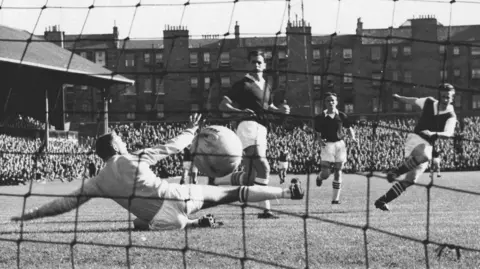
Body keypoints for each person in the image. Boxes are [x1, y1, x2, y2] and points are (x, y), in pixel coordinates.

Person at [10, 114, 304, 230]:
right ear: (116, 145)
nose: (124, 140)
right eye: (120, 138)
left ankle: (191, 225)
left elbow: (62, 204)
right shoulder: (132, 158)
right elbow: (171, 147)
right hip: (179, 198)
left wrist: (30, 215)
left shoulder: (97, 181)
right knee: (231, 193)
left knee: (139, 223)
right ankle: (286, 193)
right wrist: (191, 129)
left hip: (163, 221)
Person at [216, 50, 290, 219]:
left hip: (262, 129)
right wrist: (239, 112)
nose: (256, 65)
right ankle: (266, 210)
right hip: (248, 126)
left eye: (259, 62)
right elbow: (223, 105)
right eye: (253, 62)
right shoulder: (243, 84)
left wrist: (280, 110)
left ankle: (219, 180)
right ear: (249, 65)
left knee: (251, 177)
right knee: (264, 167)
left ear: (265, 65)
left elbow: (268, 107)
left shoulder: (267, 86)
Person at [375, 84, 457, 211]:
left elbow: (449, 133)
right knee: (425, 156)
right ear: (439, 96)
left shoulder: (451, 115)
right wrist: (398, 97)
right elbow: (413, 101)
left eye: (448, 97)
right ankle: (396, 171)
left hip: (428, 144)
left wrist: (434, 134)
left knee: (410, 180)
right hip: (415, 139)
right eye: (443, 96)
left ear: (452, 98)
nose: (445, 99)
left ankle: (382, 201)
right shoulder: (429, 102)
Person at [313, 92, 357, 204]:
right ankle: (319, 177)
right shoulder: (320, 117)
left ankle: (335, 200)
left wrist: (353, 137)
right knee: (326, 174)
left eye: (333, 100)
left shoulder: (342, 116)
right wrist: (318, 139)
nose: (330, 102)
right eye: (328, 100)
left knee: (338, 171)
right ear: (325, 103)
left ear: (336, 102)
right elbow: (316, 132)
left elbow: (349, 128)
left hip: (339, 144)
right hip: (326, 145)